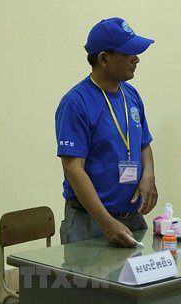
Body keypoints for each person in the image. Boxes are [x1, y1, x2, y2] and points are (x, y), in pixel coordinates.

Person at [55, 17, 158, 247]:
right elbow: (73, 169)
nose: (137, 59)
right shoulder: (75, 103)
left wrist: (149, 176)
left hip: (131, 218)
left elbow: (144, 144)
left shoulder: (131, 95)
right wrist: (107, 223)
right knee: (89, 284)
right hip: (90, 222)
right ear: (104, 58)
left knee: (135, 283)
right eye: (129, 53)